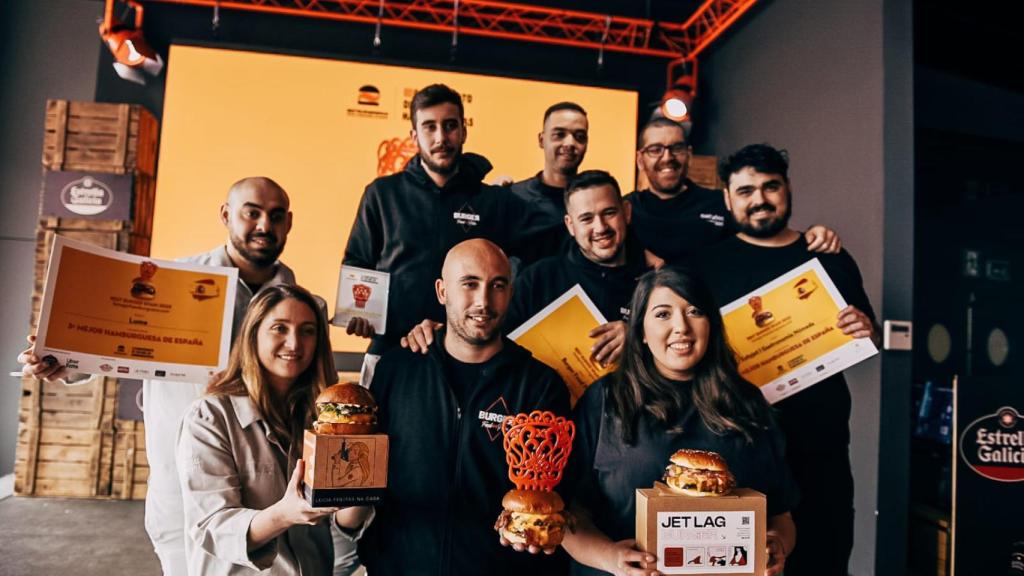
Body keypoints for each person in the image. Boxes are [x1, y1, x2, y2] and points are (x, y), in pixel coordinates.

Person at [18, 176, 313, 575]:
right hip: (183, 480)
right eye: (252, 213)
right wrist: (62, 362)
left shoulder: (297, 303)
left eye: (276, 216)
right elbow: (108, 348)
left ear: (289, 223)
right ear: (226, 216)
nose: (264, 225)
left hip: (273, 484)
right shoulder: (172, 283)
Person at [697, 144, 880, 576]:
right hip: (742, 449)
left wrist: (864, 328)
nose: (759, 199)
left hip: (822, 447)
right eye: (745, 191)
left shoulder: (828, 256)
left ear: (788, 188)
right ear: (727, 199)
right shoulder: (706, 267)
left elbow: (864, 330)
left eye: (769, 186)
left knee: (825, 560)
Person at [562, 267, 798, 576]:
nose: (681, 327)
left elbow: (781, 514)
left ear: (710, 324)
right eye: (662, 314)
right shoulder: (606, 399)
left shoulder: (747, 401)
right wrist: (611, 558)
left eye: (695, 311)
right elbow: (567, 511)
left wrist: (776, 544)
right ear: (641, 332)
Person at [358, 239, 572, 575]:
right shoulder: (396, 370)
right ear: (442, 292)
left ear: (511, 293)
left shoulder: (540, 385)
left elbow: (556, 495)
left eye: (497, 286)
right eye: (469, 284)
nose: (483, 301)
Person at [343, 83, 553, 383]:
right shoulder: (382, 194)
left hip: (472, 357)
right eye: (430, 127)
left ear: (464, 131)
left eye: (450, 126)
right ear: (414, 136)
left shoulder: (494, 201)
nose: (441, 137)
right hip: (393, 349)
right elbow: (357, 264)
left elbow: (546, 255)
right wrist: (359, 313)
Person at [177, 284, 364, 575]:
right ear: (253, 335)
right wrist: (284, 514)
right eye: (279, 328)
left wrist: (363, 487)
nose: (294, 343)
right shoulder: (211, 416)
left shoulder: (321, 417)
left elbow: (344, 524)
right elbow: (210, 527)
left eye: (307, 331)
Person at [402, 170, 647, 369]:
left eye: (609, 213)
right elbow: (486, 332)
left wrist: (639, 339)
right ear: (570, 225)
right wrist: (442, 334)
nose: (600, 227)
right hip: (544, 415)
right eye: (586, 218)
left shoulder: (652, 283)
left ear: (626, 212)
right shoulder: (540, 278)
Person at [625, 118, 840, 265]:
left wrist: (811, 235)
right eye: (655, 150)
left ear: (689, 154)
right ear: (640, 160)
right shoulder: (625, 209)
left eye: (677, 148)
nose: (667, 157)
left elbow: (769, 236)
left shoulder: (721, 202)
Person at [508, 101, 589, 227]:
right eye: (559, 135)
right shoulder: (514, 197)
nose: (570, 143)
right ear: (541, 140)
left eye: (580, 136)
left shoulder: (594, 201)